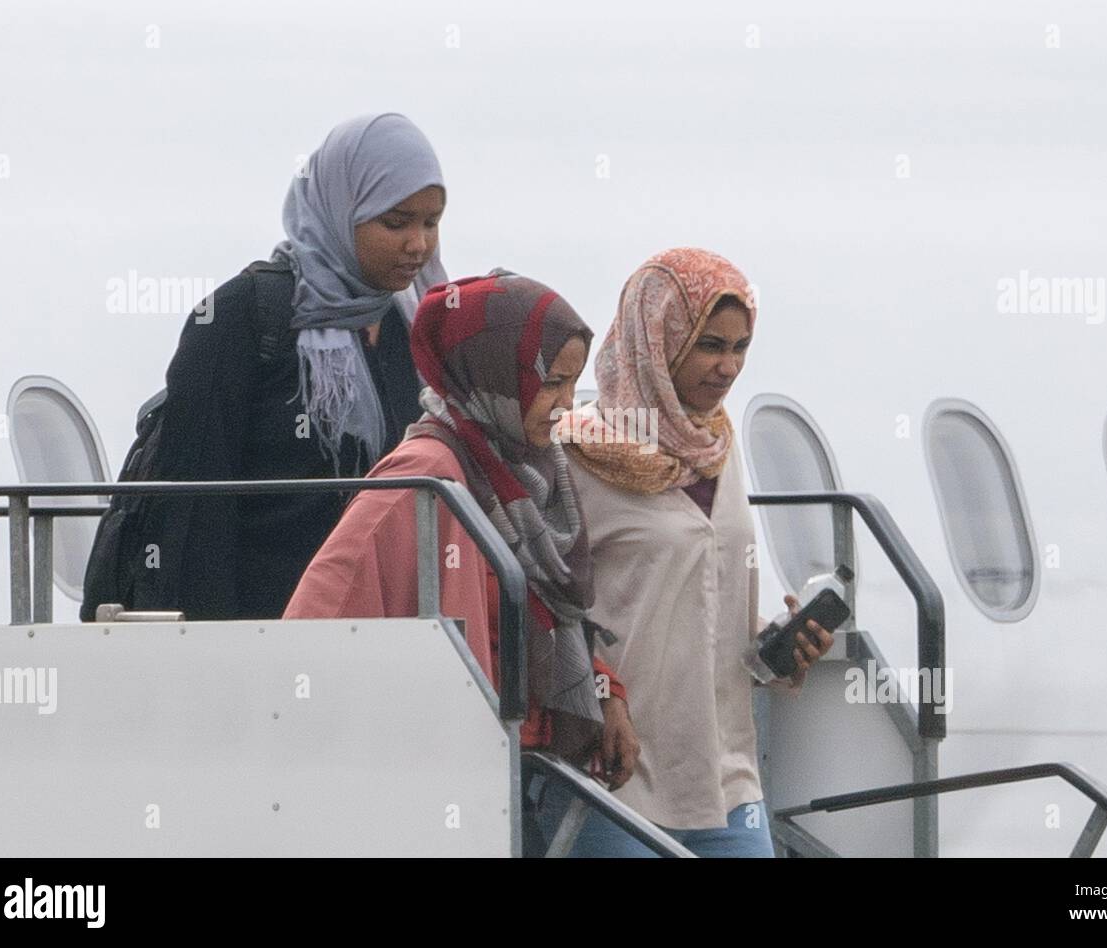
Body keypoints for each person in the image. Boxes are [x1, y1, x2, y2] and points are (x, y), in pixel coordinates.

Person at [284, 270, 641, 856]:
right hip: (446, 791)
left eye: (572, 385)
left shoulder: (530, 470)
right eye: (550, 383)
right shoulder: (425, 477)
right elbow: (316, 620)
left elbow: (548, 610)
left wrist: (605, 687)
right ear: (493, 377)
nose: (563, 407)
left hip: (511, 771)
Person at [82, 113, 447, 621]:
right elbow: (193, 510)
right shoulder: (244, 315)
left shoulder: (413, 326)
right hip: (261, 637)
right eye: (396, 221)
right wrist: (219, 654)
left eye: (431, 222)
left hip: (377, 635)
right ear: (340, 209)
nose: (419, 245)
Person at [538, 247, 835, 857]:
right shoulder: (572, 457)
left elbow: (696, 603)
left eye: (740, 346)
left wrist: (776, 646)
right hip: (615, 774)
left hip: (726, 778)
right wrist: (595, 688)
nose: (728, 367)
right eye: (709, 345)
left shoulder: (717, 448)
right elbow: (541, 606)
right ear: (657, 339)